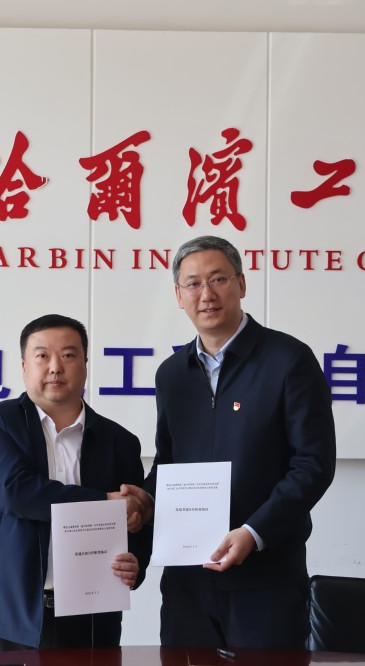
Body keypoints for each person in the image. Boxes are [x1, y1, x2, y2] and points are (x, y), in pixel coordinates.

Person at [122, 235, 337, 649]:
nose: (206, 294)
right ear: (178, 296)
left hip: (265, 579)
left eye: (218, 279)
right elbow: (170, 462)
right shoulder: (172, 374)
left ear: (241, 284)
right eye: (193, 283)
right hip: (187, 582)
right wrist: (145, 499)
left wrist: (254, 532)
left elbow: (313, 464)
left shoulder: (288, 360)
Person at [0, 314, 152, 650]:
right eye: (42, 356)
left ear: (85, 364)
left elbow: (136, 521)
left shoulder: (119, 441)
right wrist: (105, 502)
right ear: (24, 366)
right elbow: (14, 492)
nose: (55, 367)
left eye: (68, 355)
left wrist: (135, 561)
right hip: (8, 617)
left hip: (92, 617)